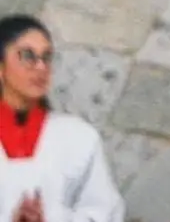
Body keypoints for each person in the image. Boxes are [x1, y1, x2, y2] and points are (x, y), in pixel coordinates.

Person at [0, 14, 125, 222]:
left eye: (46, 57)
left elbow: (105, 210)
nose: (41, 67)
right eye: (28, 56)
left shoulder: (78, 136)